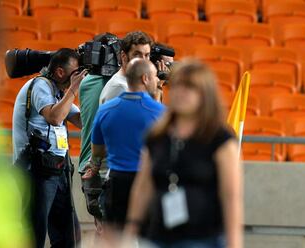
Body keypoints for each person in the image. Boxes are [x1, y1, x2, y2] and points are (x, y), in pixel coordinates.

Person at [124, 59, 243, 248]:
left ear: (205, 95)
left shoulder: (221, 139)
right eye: (177, 85)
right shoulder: (157, 136)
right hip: (159, 236)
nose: (181, 92)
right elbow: (143, 186)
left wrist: (234, 243)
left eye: (189, 87)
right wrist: (130, 231)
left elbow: (231, 196)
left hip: (204, 238)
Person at [12, 48, 87, 248]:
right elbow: (55, 117)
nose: (78, 76)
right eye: (75, 72)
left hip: (56, 168)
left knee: (68, 233)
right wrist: (73, 89)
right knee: (34, 231)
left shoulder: (58, 92)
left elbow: (81, 120)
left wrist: (94, 91)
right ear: (60, 72)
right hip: (36, 169)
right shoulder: (40, 85)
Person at [83, 58, 165, 232]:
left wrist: (95, 166)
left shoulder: (105, 110)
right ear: (145, 79)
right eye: (156, 76)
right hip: (146, 183)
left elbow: (97, 150)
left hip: (116, 182)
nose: (158, 80)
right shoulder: (160, 112)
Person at [78, 32, 119, 234]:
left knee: (102, 230)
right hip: (101, 165)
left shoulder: (84, 82)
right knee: (110, 233)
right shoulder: (116, 84)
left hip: (89, 164)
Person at [99, 31, 153, 104]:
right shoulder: (119, 87)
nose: (143, 61)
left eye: (146, 55)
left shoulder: (133, 84)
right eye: (137, 55)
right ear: (124, 56)